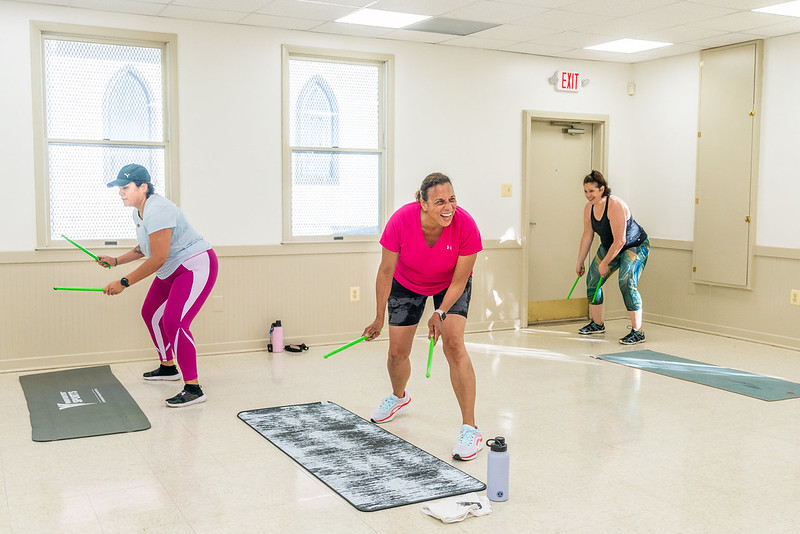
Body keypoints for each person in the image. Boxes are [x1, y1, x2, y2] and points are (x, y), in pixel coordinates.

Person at [362, 172, 484, 461]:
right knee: (396, 353)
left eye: (452, 199)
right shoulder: (401, 221)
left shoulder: (465, 225)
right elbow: (386, 272)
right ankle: (399, 396)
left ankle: (471, 429)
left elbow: (459, 281)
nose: (448, 207)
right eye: (440, 201)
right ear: (422, 202)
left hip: (449, 285)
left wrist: (440, 312)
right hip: (407, 283)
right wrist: (379, 317)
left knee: (454, 344)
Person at [98, 164, 218, 407]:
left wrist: (124, 282)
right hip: (170, 268)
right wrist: (115, 261)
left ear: (143, 187)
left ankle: (193, 387)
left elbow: (158, 257)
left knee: (175, 321)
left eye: (126, 188)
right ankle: (167, 366)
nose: (121, 192)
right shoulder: (138, 212)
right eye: (119, 188)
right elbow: (146, 248)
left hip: (194, 265)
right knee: (150, 313)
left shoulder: (159, 210)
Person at [575, 170, 650, 345]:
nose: (588, 195)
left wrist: (605, 263)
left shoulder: (615, 205)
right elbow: (587, 236)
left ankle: (638, 331)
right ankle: (597, 324)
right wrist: (580, 261)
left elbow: (621, 240)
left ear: (602, 189)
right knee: (593, 280)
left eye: (592, 191)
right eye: (585, 191)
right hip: (611, 247)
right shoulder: (589, 209)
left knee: (626, 282)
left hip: (634, 246)